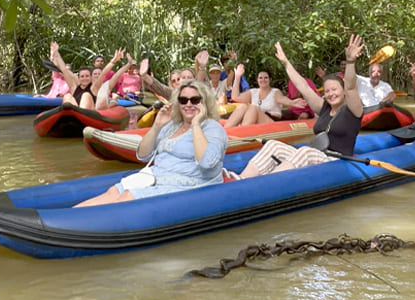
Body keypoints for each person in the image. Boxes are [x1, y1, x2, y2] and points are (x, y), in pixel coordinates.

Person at [75, 81, 227, 207]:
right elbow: (143, 155)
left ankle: (83, 228)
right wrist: (157, 125)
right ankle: (69, 217)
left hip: (188, 184)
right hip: (157, 177)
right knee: (114, 191)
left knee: (128, 196)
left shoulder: (213, 128)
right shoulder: (172, 125)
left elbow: (207, 162)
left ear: (204, 103)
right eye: (183, 100)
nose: (188, 104)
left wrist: (195, 124)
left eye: (195, 100)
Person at [234, 35, 364, 178]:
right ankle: (241, 180)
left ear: (343, 91)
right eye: (327, 91)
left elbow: (351, 87)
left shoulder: (353, 111)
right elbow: (304, 87)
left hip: (336, 162)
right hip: (317, 156)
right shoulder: (324, 107)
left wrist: (351, 61)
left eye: (334, 89)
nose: (330, 94)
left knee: (305, 151)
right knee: (273, 145)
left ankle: (267, 183)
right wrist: (285, 63)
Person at [224, 66, 308, 127]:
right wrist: (238, 77)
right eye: (260, 78)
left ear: (270, 79)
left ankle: (242, 132)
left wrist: (292, 102)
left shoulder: (275, 92)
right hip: (255, 122)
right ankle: (226, 131)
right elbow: (235, 97)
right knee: (243, 106)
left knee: (253, 108)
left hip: (271, 121)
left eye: (266, 78)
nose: (263, 80)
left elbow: (282, 99)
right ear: (257, 80)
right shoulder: (253, 92)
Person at [49, 42, 121, 110]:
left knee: (86, 95)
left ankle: (80, 114)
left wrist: (113, 61)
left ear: (90, 77)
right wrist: (56, 53)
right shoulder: (73, 87)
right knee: (67, 96)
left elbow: (103, 74)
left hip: (89, 114)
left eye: (87, 76)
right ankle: (70, 116)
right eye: (82, 76)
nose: (84, 78)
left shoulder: (94, 87)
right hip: (75, 113)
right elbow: (64, 69)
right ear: (79, 78)